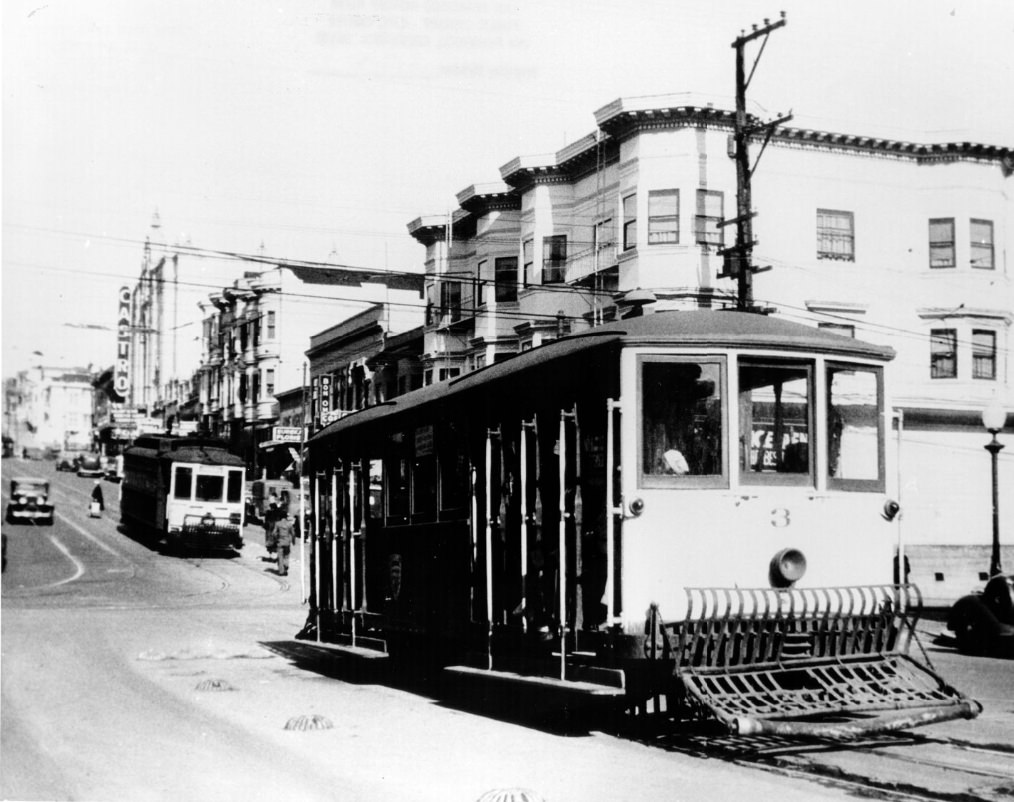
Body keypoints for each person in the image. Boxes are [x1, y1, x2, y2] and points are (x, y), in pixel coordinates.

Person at [274, 511, 295, 576]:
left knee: (280, 557)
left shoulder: (277, 523)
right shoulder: (289, 524)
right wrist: (293, 541)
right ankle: (286, 566)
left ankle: (281, 571)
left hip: (280, 542)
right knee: (286, 555)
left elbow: (274, 533)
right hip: (287, 542)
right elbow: (293, 534)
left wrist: (276, 539)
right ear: (286, 517)